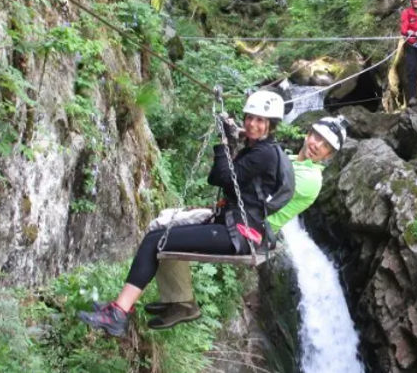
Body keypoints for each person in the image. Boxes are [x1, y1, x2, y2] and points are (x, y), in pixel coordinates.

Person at [78, 90, 285, 337]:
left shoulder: (265, 153)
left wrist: (224, 142)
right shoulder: (256, 149)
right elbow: (221, 178)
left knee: (157, 240)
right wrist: (231, 140)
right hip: (233, 227)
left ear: (271, 126)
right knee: (161, 234)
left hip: (237, 234)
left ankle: (118, 313)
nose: (252, 124)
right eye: (250, 117)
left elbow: (221, 176)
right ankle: (175, 303)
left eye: (260, 120)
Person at [144, 115, 350, 330]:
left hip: (250, 227)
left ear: (329, 155)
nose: (317, 145)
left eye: (325, 145)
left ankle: (180, 301)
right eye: (317, 137)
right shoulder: (287, 158)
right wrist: (247, 137)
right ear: (309, 134)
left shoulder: (311, 179)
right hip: (237, 216)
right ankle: (179, 299)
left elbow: (251, 179)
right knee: (167, 220)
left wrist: (236, 142)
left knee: (162, 227)